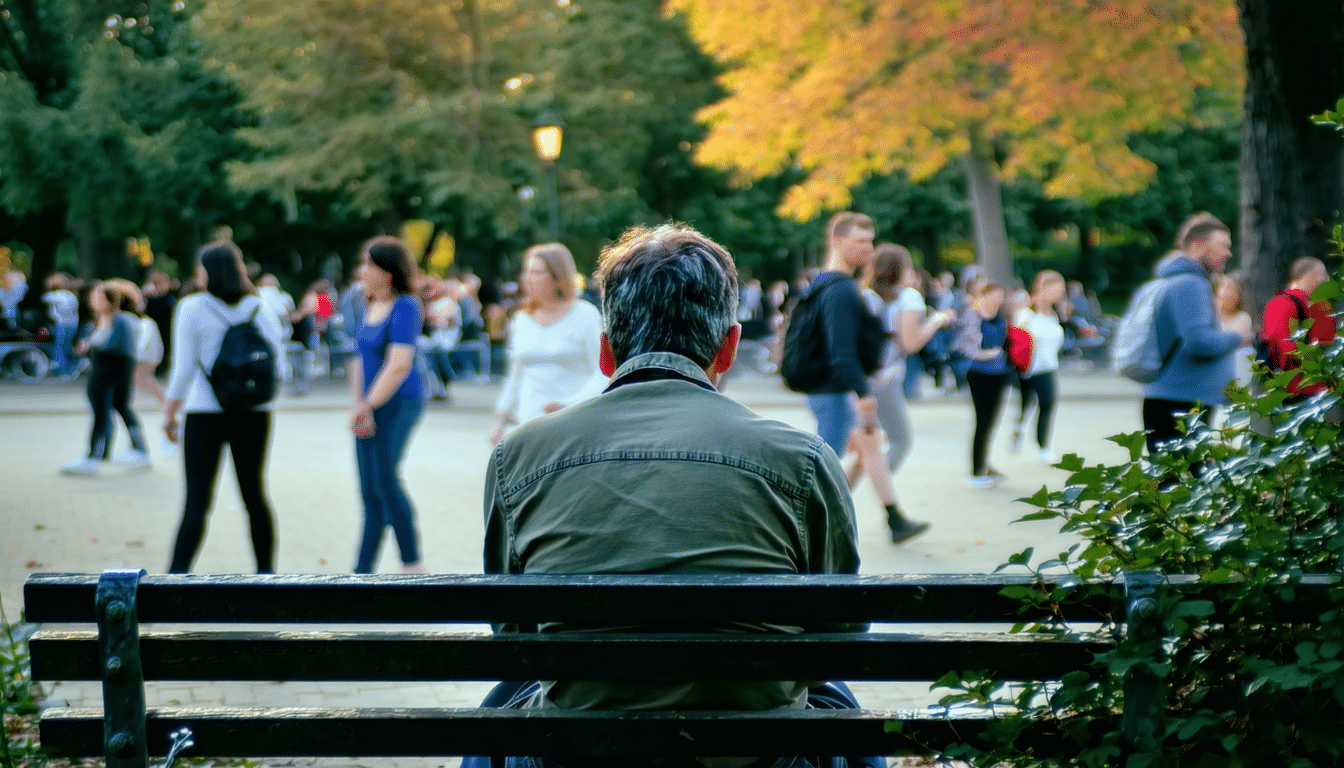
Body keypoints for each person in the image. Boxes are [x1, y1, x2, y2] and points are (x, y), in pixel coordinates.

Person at [477, 223, 876, 768]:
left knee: (500, 711)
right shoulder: (801, 460)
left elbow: (515, 634)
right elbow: (838, 634)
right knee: (841, 709)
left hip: (582, 754)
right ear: (729, 347)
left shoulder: (519, 456)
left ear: (605, 353)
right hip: (755, 756)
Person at [163, 240, 286, 573]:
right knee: (255, 496)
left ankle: (175, 579)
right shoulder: (260, 305)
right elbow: (280, 365)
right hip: (254, 413)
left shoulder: (192, 307)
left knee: (197, 502)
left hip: (205, 414)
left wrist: (169, 413)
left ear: (207, 270)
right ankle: (266, 576)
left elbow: (183, 368)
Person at [847, 244, 950, 543]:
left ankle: (851, 502)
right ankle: (880, 498)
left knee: (866, 450)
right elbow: (911, 341)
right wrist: (936, 321)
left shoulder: (861, 294)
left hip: (856, 379)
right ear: (899, 269)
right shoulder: (908, 298)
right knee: (899, 440)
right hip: (884, 380)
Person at [349, 236, 427, 574]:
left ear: (388, 270)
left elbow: (399, 365)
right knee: (369, 489)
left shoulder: (406, 305)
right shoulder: (364, 304)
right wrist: (358, 405)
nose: (362, 270)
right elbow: (357, 360)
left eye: (369, 263)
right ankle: (362, 572)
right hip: (368, 403)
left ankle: (413, 564)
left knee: (386, 481)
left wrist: (368, 404)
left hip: (398, 402)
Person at [1141, 215, 1250, 454]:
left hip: (1176, 397)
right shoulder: (1190, 284)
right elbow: (1199, 342)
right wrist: (1239, 337)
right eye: (1223, 246)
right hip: (1182, 402)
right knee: (1181, 481)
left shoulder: (1180, 280)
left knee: (1174, 479)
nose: (1228, 253)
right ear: (1199, 245)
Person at [488, 243, 606, 446]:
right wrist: (501, 416)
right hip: (529, 423)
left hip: (573, 424)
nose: (527, 278)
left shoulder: (585, 315)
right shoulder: (522, 319)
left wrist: (570, 404)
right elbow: (516, 374)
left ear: (557, 278)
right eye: (526, 271)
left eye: (536, 272)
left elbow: (603, 372)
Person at [800, 212, 886, 458]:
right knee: (824, 466)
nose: (868, 248)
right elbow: (841, 350)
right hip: (832, 391)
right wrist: (864, 394)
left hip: (826, 389)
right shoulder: (841, 290)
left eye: (870, 241)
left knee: (829, 462)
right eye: (859, 241)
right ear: (836, 241)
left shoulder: (824, 283)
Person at [59, 281, 151, 475]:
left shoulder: (120, 321)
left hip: (112, 374)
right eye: (94, 297)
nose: (95, 300)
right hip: (102, 373)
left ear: (111, 300)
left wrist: (90, 346)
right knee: (110, 411)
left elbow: (117, 347)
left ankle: (95, 456)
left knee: (110, 411)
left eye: (100, 297)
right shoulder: (99, 322)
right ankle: (107, 452)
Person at [1261, 256, 1339, 419]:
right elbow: (1286, 349)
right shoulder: (1282, 305)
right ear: (1310, 275)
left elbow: (1331, 344)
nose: (1326, 279)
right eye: (1322, 274)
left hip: (1319, 391)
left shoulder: (1321, 306)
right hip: (1295, 394)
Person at [954, 280, 1011, 488]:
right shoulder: (972, 314)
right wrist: (985, 354)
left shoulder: (1002, 315)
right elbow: (965, 344)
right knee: (983, 421)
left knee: (992, 421)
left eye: (1000, 294)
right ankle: (977, 470)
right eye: (993, 294)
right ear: (983, 294)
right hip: (979, 372)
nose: (997, 298)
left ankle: (985, 464)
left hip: (1000, 372)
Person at [1010, 270, 1068, 462]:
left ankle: (1042, 445)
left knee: (1047, 403)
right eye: (1056, 289)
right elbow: (1018, 339)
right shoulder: (1026, 313)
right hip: (1029, 368)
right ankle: (1021, 430)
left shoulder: (1054, 314)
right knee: (1029, 404)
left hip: (1049, 366)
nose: (1059, 294)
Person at [1214, 273, 1255, 391]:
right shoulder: (1210, 320)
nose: (1231, 294)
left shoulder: (1243, 317)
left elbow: (1240, 346)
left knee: (1245, 352)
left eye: (1234, 291)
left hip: (1238, 373)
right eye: (1226, 289)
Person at [42, 272, 81, 377]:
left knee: (59, 347)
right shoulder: (72, 296)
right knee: (67, 346)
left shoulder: (58, 295)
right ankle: (71, 369)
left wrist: (49, 286)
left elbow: (45, 298)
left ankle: (61, 371)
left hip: (62, 325)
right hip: (72, 325)